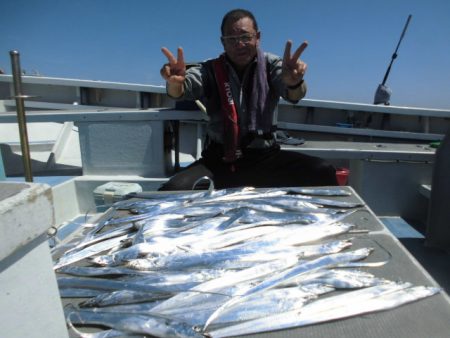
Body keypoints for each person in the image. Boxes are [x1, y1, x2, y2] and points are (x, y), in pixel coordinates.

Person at [159, 8, 337, 191]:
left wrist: (293, 83)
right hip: (218, 160)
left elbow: (294, 95)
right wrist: (175, 83)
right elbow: (182, 89)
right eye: (232, 39)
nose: (240, 44)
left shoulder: (273, 65)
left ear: (257, 37)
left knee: (323, 171)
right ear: (223, 42)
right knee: (172, 189)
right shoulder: (209, 69)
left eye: (246, 37)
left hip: (264, 157)